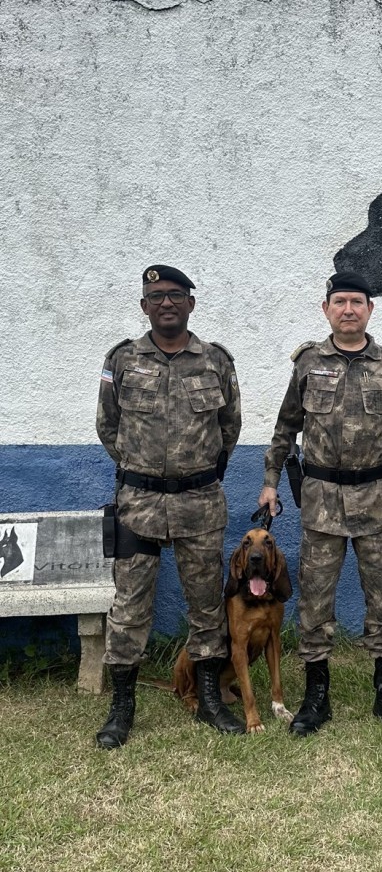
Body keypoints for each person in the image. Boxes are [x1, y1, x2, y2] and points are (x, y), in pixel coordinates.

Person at [258, 271, 382, 737]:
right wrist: (270, 482)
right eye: (340, 302)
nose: (348, 309)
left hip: (376, 503)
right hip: (321, 506)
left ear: (370, 309)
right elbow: (284, 429)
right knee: (315, 602)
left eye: (357, 301)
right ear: (326, 309)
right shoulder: (308, 364)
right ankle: (317, 695)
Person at [95, 264, 245, 748]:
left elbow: (230, 426)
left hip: (199, 504)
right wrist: (141, 472)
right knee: (129, 607)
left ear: (190, 304)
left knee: (206, 605)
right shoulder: (122, 359)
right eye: (156, 295)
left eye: (176, 294)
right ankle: (122, 707)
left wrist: (198, 473)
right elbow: (107, 425)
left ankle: (209, 699)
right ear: (144, 306)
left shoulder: (215, 361)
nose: (166, 302)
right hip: (137, 505)